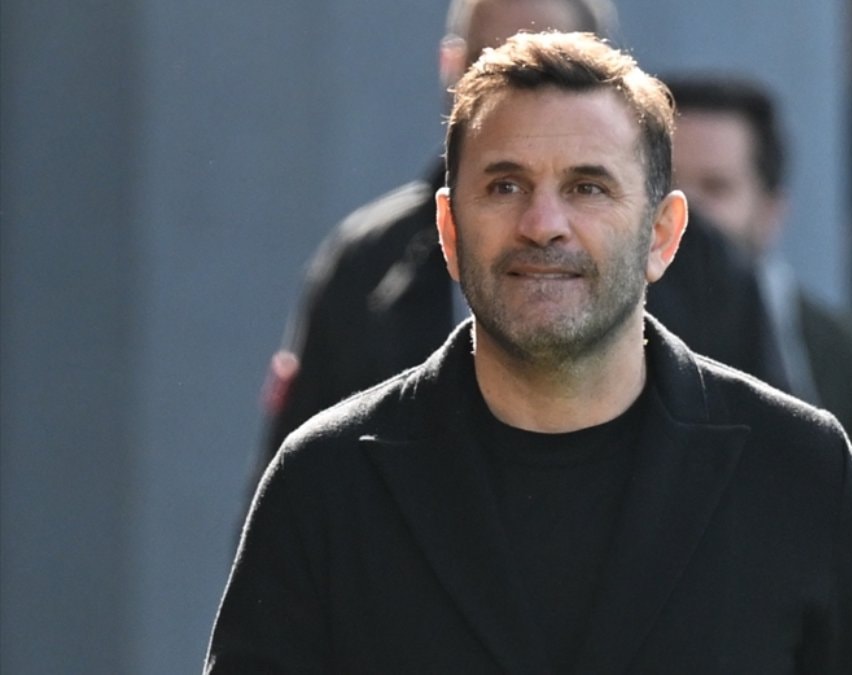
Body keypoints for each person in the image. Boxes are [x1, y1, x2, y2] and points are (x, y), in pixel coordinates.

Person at [207, 32, 852, 673]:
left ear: (662, 235)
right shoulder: (327, 482)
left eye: (588, 187)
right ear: (450, 231)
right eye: (505, 185)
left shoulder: (797, 471)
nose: (543, 223)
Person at [258, 0, 782, 474]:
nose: (542, 223)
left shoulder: (712, 275)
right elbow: (304, 502)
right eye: (488, 65)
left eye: (549, 62)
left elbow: (766, 476)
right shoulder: (366, 266)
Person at [666, 73, 852, 634]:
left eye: (716, 188)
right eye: (661, 187)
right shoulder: (571, 352)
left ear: (772, 211)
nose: (683, 214)